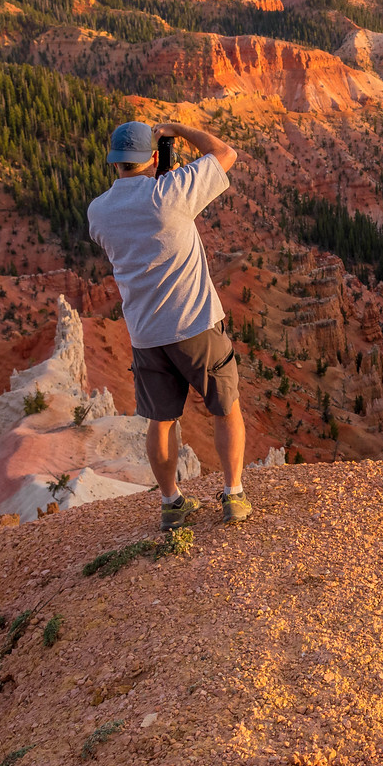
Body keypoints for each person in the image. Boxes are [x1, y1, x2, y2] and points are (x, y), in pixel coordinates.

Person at [87, 120, 251, 530]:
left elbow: (129, 223)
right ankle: (233, 496)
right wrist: (177, 128)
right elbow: (225, 154)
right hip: (194, 324)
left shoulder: (98, 212)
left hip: (145, 336)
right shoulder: (171, 192)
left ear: (114, 164)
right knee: (225, 407)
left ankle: (171, 502)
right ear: (155, 158)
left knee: (160, 422)